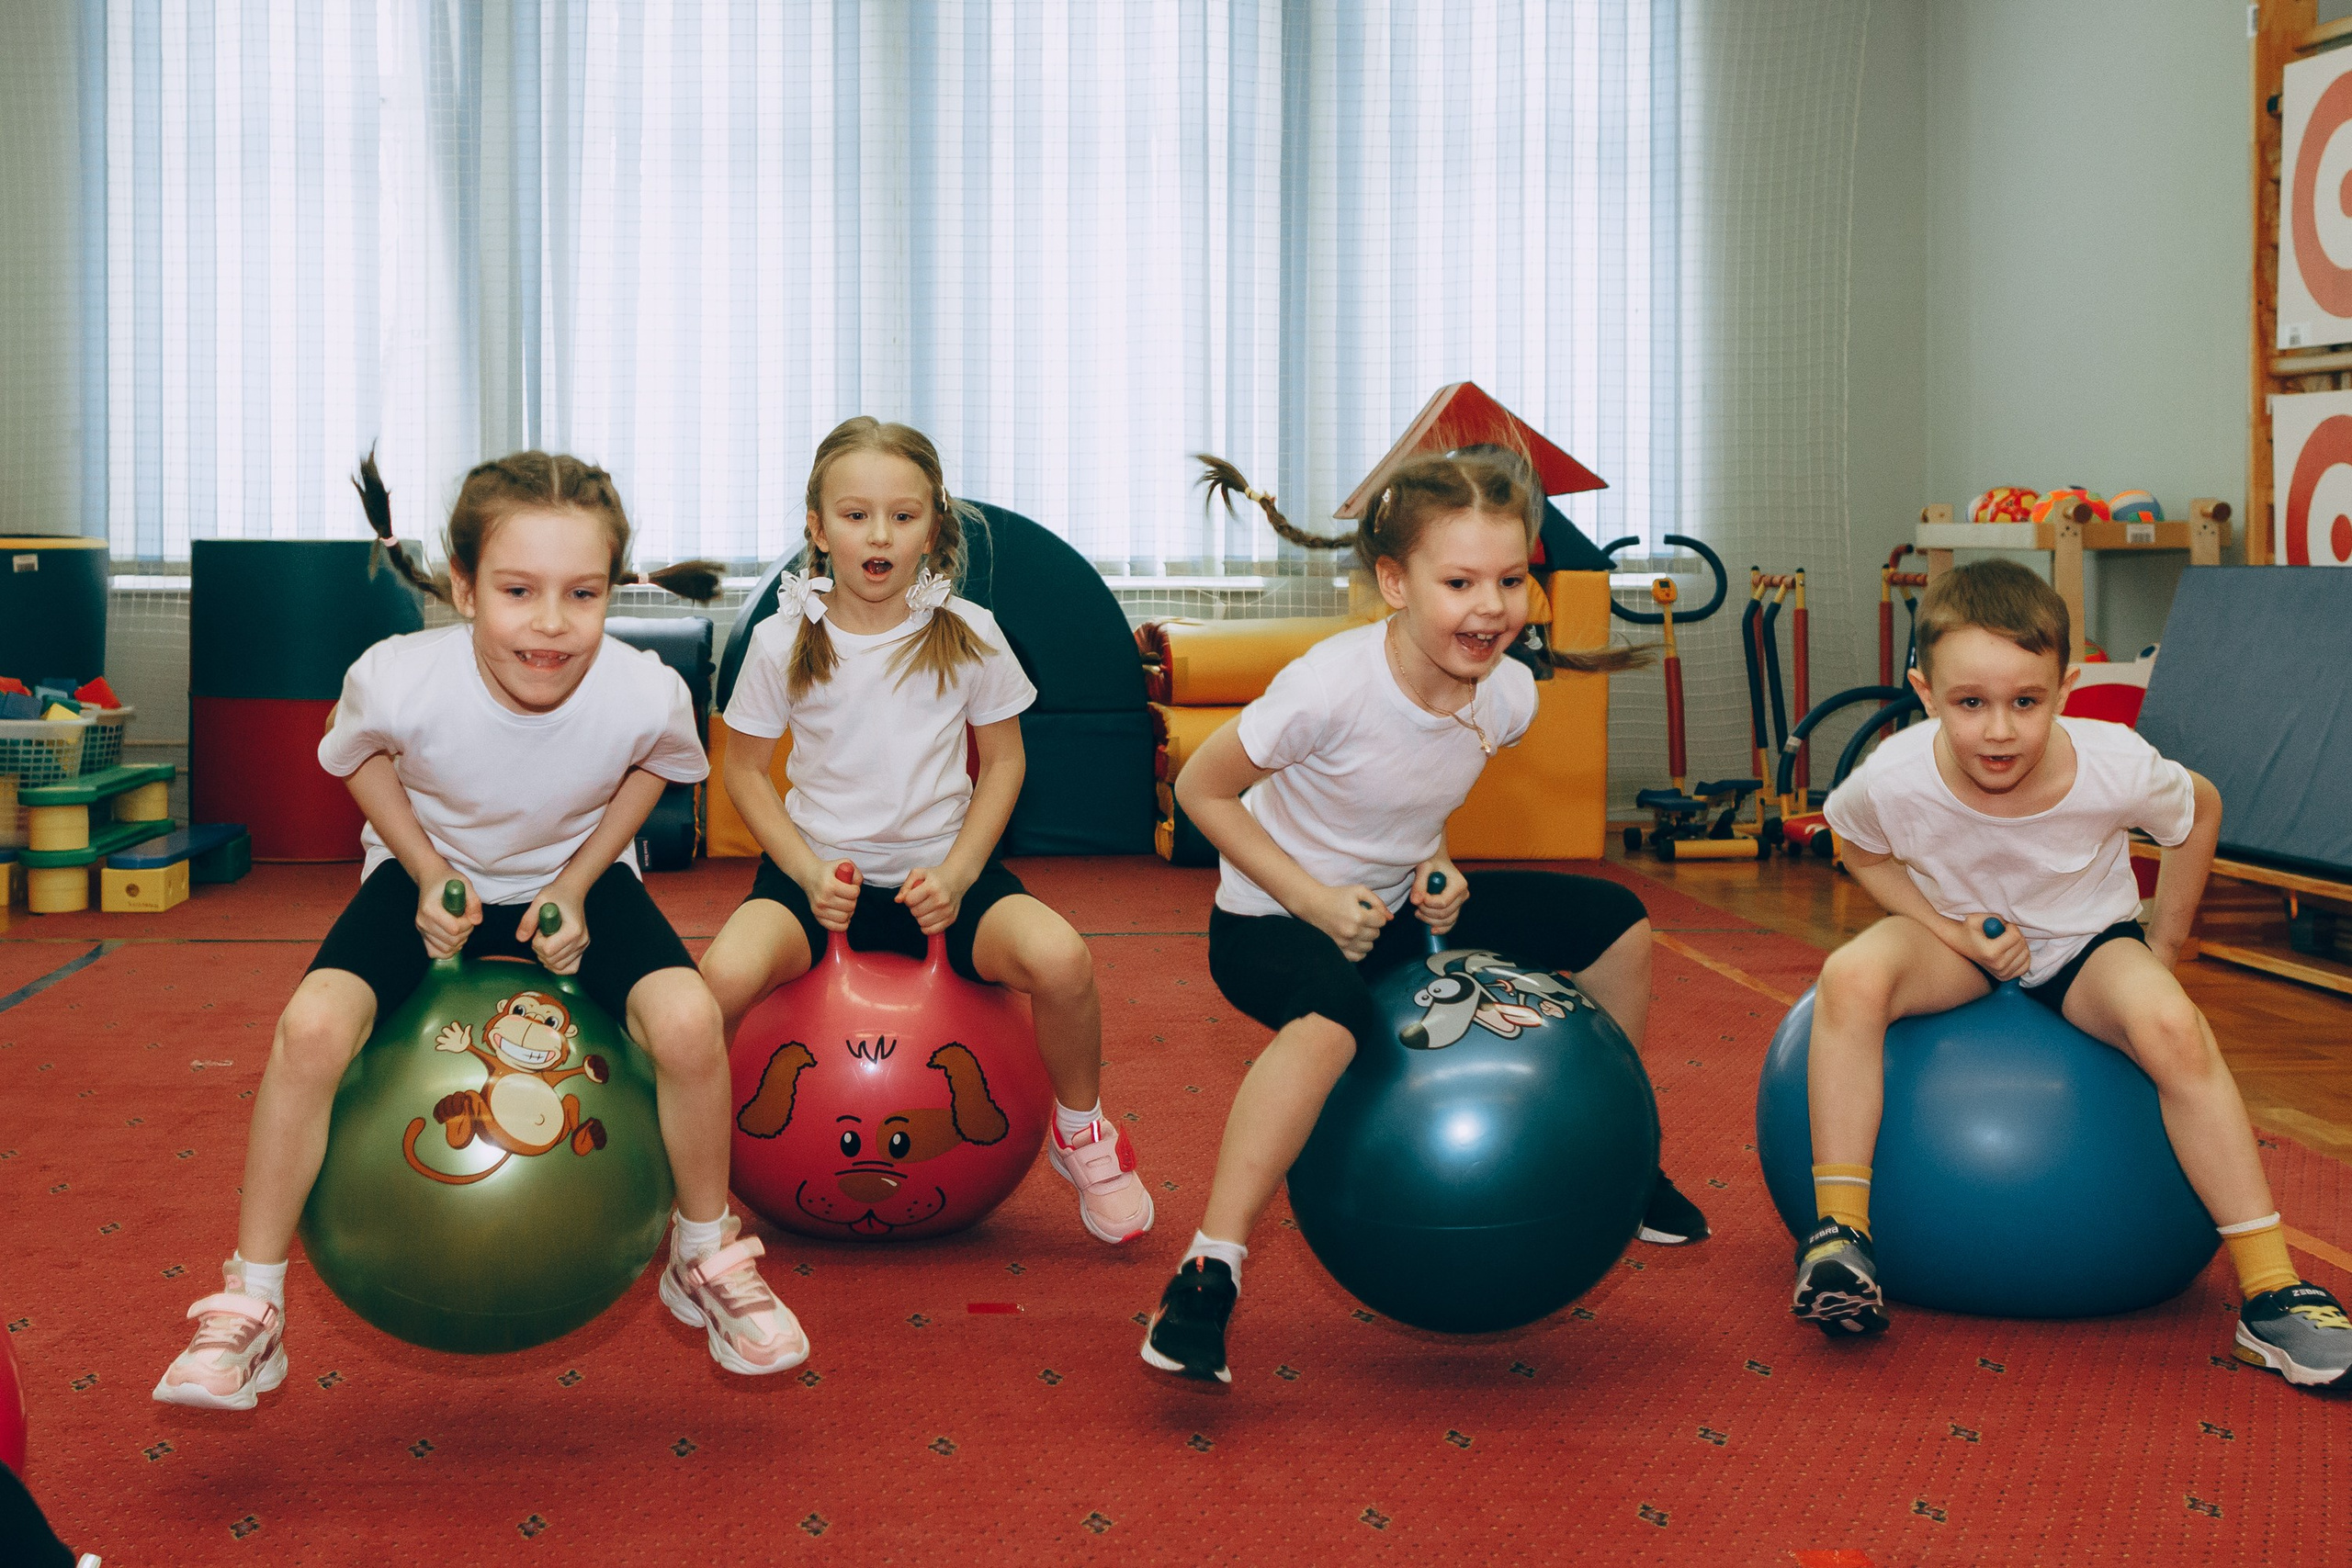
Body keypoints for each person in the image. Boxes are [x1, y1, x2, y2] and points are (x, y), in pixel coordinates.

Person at [155, 452, 807, 1409]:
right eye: (517, 590)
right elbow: (356, 756)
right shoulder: (398, 677)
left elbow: (655, 770)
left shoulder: (641, 688)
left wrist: (582, 881)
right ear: (463, 588)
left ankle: (701, 1256)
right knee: (311, 1030)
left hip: (571, 879)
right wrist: (424, 868)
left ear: (612, 589)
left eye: (582, 593)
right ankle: (252, 1305)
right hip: (434, 878)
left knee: (687, 1022)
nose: (551, 622)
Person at [1139, 447, 1707, 1384]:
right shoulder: (1329, 686)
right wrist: (1314, 900)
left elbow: (1410, 802)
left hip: (1396, 914)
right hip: (1268, 923)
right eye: (1459, 582)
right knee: (1327, 1027)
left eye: (1511, 579)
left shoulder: (1509, 695)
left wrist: (1434, 865)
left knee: (1615, 922)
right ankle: (1209, 1271)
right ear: (1394, 583)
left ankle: (1623, 1164)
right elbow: (1203, 791)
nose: (1489, 607)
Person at [1798, 558, 2352, 1386]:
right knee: (1848, 977)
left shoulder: (2111, 762)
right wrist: (1945, 925)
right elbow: (1855, 846)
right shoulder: (1896, 774)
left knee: (2170, 1024)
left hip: (2084, 946)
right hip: (1958, 945)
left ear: (2068, 685)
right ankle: (1840, 1239)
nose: (1998, 730)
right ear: (1923, 689)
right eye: (1970, 702)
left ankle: (2272, 1293)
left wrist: (2163, 949)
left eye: (2026, 701)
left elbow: (2197, 810)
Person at [699, 417, 1153, 1245]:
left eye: (903, 516)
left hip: (947, 877)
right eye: (856, 514)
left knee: (1064, 960)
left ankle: (1080, 1131)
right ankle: (693, 1174)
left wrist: (958, 872)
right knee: (717, 983)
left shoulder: (972, 631)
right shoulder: (778, 638)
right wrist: (803, 871)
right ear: (817, 526)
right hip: (814, 881)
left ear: (933, 526)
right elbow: (741, 773)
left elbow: (1005, 764)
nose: (879, 535)